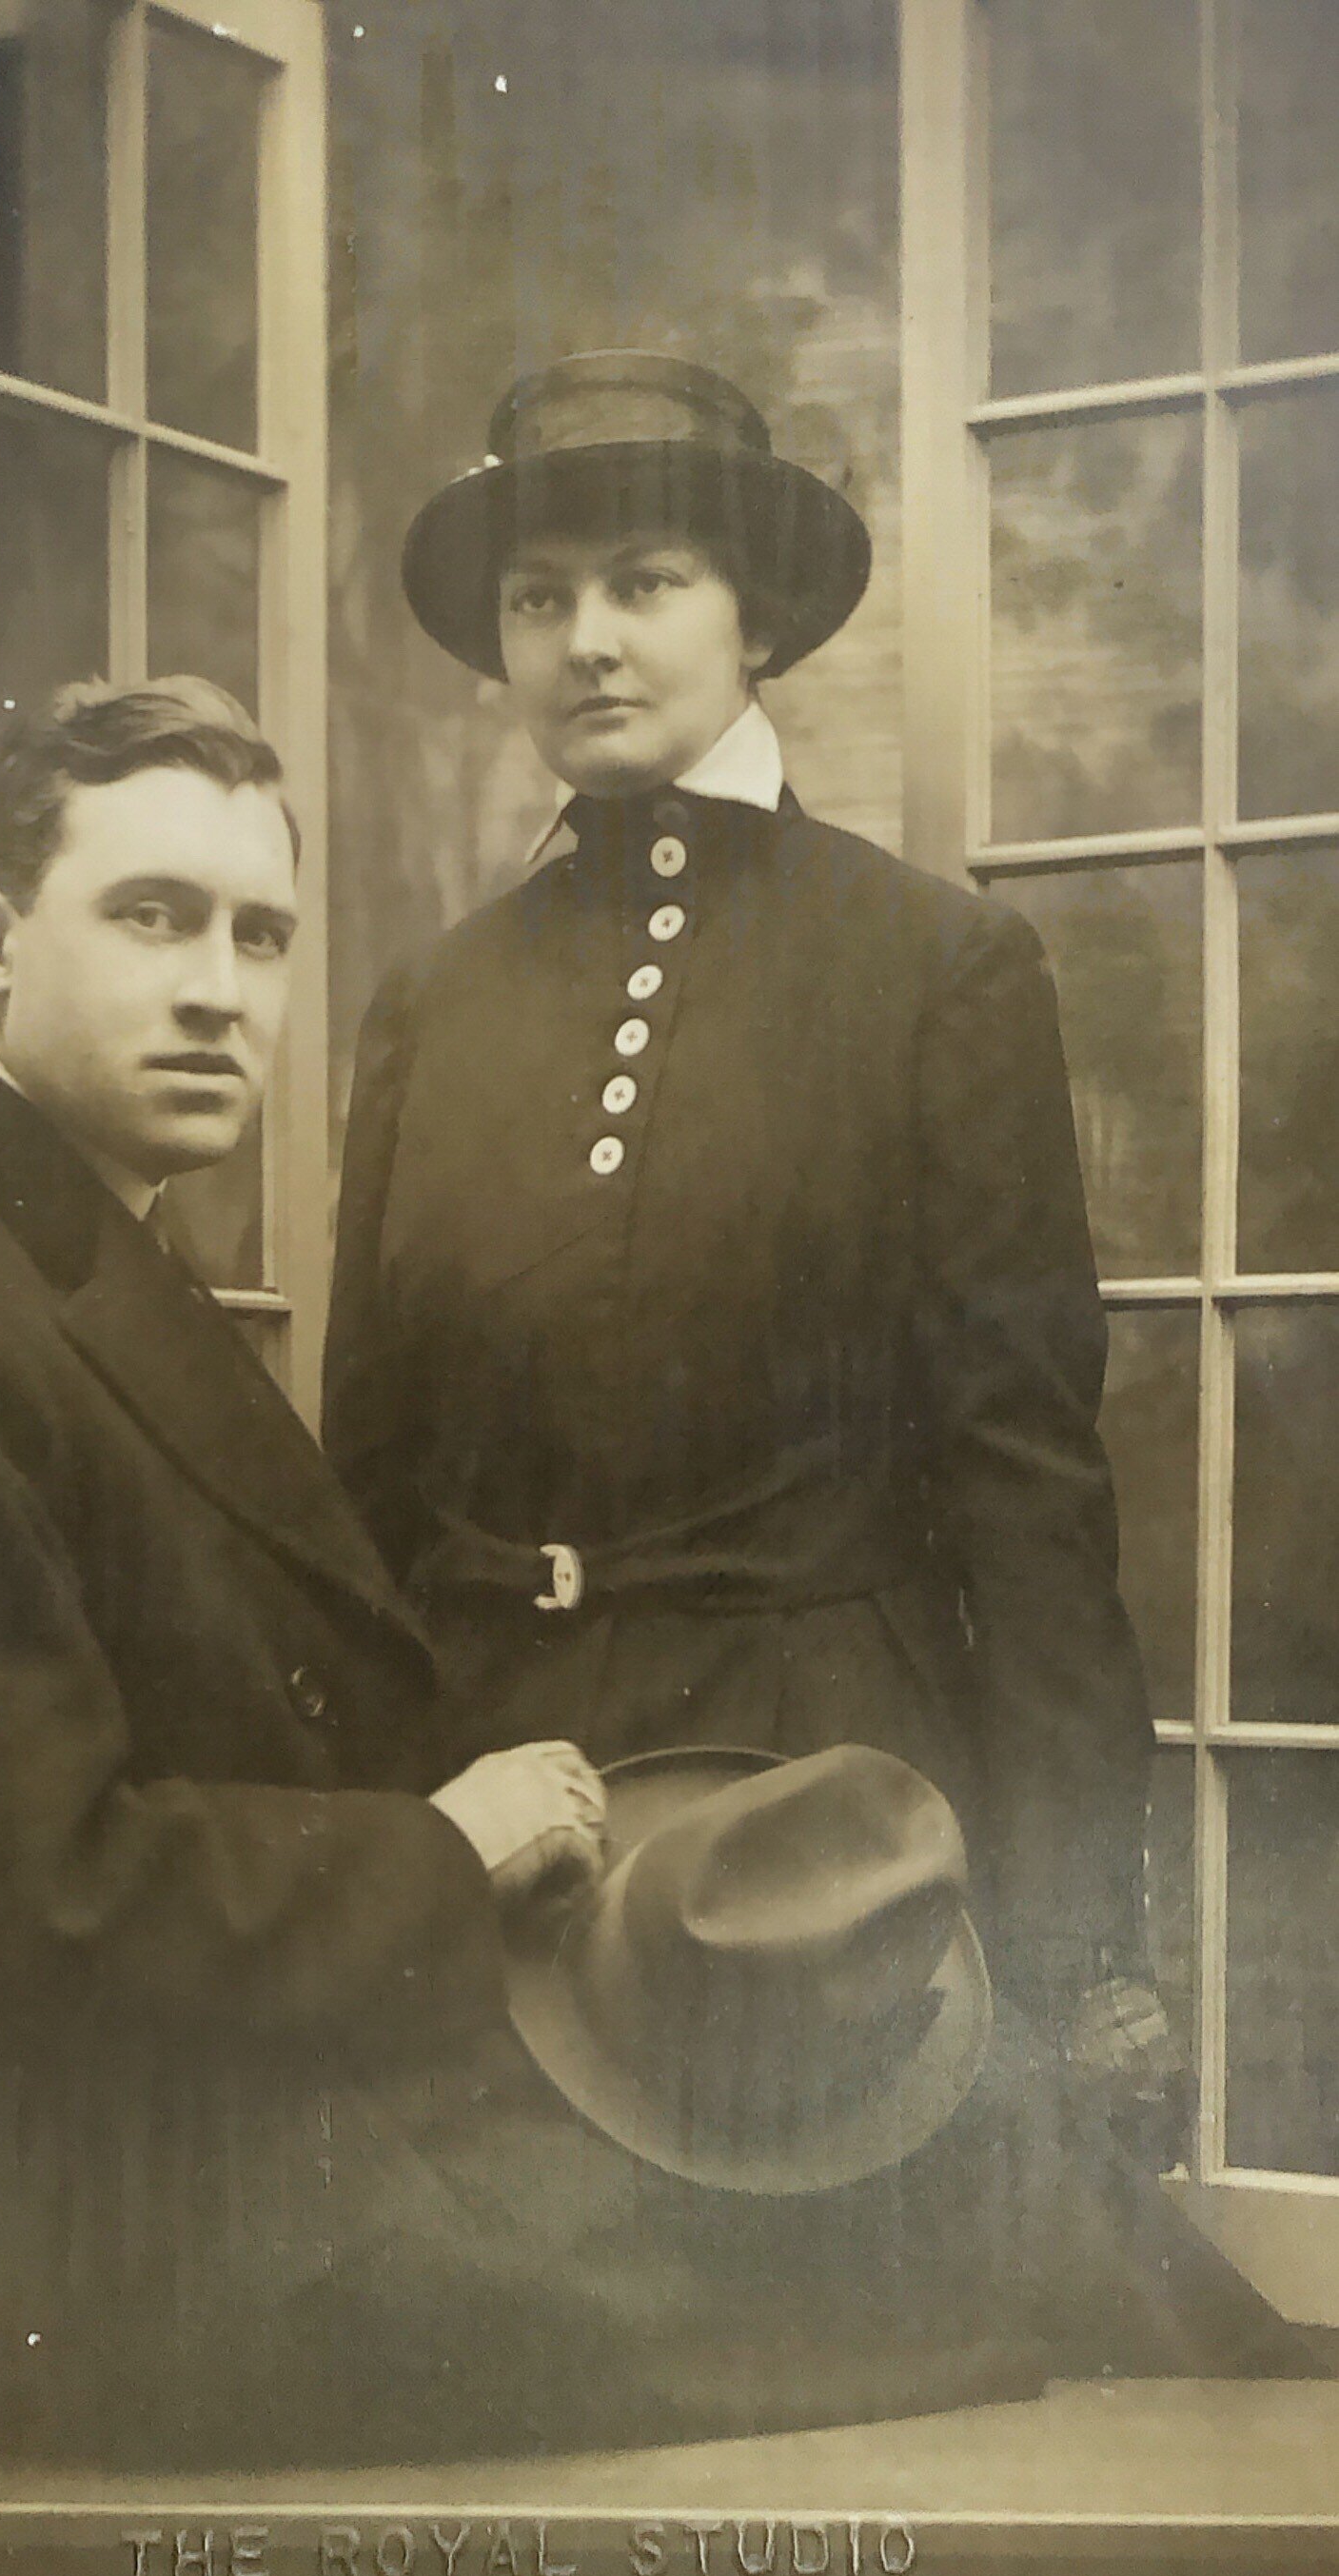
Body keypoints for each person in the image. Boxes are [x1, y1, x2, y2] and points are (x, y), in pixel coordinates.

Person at [0, 673, 1308, 2463]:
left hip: (196, 2125)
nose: (219, 992)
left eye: (260, 934)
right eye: (150, 919)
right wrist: (444, 1851)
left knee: (955, 2185)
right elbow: (31, 1900)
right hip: (68, 2237)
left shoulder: (38, 1248)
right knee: (918, 2237)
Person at [325, 350, 1167, 2077]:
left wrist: (1080, 1941)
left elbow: (1023, 1481)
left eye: (649, 583)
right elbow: (370, 1477)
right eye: (541, 597)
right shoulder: (434, 1003)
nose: (589, 641)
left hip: (810, 1821)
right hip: (499, 1798)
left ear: (757, 622)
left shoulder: (936, 967)